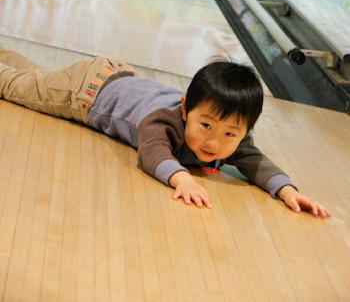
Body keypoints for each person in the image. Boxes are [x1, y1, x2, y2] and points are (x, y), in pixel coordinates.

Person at [0, 46, 330, 217]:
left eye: (231, 134)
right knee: (17, 86)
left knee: (34, 79)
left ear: (244, 130)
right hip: (85, 93)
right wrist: (182, 178)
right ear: (185, 109)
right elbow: (152, 152)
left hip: (114, 74)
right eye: (205, 126)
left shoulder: (231, 137)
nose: (214, 141)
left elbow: (256, 162)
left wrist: (287, 190)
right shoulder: (164, 121)